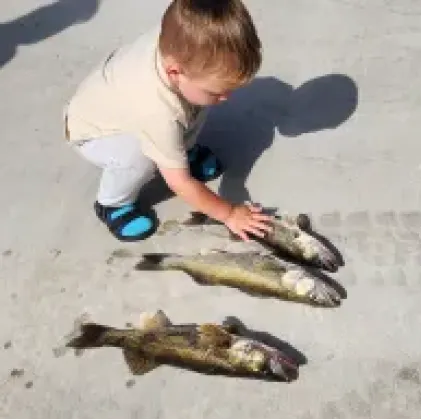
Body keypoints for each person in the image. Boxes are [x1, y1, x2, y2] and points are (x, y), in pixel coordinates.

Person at [63, 0, 272, 242]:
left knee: (197, 104)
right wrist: (230, 213)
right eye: (217, 90)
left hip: (125, 104)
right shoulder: (158, 112)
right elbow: (180, 183)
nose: (227, 97)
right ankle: (112, 203)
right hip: (95, 132)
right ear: (174, 72)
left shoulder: (181, 44)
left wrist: (210, 95)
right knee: (141, 157)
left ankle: (182, 150)